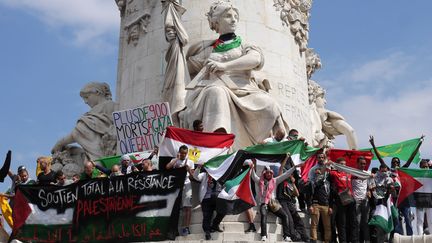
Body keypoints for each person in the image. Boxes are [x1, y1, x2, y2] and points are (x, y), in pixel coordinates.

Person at [177, 0, 287, 149]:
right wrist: (175, 47)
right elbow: (185, 68)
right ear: (216, 21)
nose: (233, 19)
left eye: (235, 16)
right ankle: (218, 140)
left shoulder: (243, 45)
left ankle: (275, 138)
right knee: (217, 92)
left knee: (269, 103)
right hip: (215, 88)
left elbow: (255, 58)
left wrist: (224, 65)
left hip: (245, 90)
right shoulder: (208, 50)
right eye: (228, 16)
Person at [369, 135, 424, 236]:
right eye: (394, 162)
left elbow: (410, 159)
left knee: (407, 218)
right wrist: (373, 144)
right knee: (396, 218)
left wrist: (419, 144)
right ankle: (397, 236)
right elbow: (381, 160)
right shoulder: (389, 171)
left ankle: (410, 237)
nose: (395, 163)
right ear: (391, 164)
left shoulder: (403, 170)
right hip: (393, 198)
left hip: (404, 198)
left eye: (397, 162)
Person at [51, 82, 118, 161]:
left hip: (104, 153)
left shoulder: (111, 105)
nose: (85, 102)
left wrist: (60, 142)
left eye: (87, 97)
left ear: (97, 92)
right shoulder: (94, 112)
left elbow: (80, 130)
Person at [249, 155, 300, 242]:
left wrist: (294, 167)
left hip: (273, 203)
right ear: (264, 173)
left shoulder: (275, 180)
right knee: (263, 215)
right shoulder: (259, 181)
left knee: (285, 216)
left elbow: (286, 174)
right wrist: (252, 168)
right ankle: (264, 236)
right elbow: (253, 176)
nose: (268, 174)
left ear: (272, 174)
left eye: (270, 173)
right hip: (263, 203)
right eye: (267, 172)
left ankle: (286, 236)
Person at [166, 145, 194, 236]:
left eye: (185, 153)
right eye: (182, 153)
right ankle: (174, 229)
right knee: (175, 207)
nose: (183, 155)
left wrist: (188, 168)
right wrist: (176, 159)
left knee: (188, 207)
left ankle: (186, 227)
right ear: (179, 152)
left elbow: (192, 176)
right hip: (176, 186)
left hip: (187, 184)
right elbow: (167, 167)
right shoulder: (175, 160)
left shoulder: (190, 161)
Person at [193, 165, 225, 240]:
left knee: (224, 210)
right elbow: (195, 176)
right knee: (207, 216)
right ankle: (207, 232)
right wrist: (198, 168)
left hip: (218, 197)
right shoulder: (204, 175)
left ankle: (215, 225)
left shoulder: (220, 174)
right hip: (206, 198)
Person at [307, 152, 332, 243]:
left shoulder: (329, 170)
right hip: (316, 202)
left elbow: (331, 189)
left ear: (324, 158)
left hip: (326, 203)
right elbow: (311, 186)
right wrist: (310, 204)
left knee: (327, 225)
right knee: (314, 224)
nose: (321, 159)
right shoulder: (313, 169)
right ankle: (313, 240)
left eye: (322, 157)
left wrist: (331, 205)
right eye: (319, 157)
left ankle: (327, 240)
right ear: (317, 158)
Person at [277, 174, 309, 242]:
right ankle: (294, 237)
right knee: (290, 219)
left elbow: (297, 194)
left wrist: (293, 183)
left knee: (298, 219)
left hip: (289, 202)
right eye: (290, 175)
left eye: (292, 175)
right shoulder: (281, 180)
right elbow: (281, 172)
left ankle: (304, 237)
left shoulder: (290, 183)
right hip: (282, 201)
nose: (291, 176)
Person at [352, 156, 374, 243]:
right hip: (356, 200)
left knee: (365, 222)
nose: (363, 165)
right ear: (357, 163)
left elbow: (371, 185)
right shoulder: (352, 172)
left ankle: (366, 241)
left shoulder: (367, 173)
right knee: (357, 222)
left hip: (365, 201)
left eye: (364, 164)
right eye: (361, 163)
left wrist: (369, 190)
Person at [413, 159, 432, 235]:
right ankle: (420, 238)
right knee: (420, 220)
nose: (425, 168)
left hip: (430, 201)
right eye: (423, 167)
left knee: (431, 221)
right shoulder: (415, 177)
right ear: (420, 167)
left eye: (426, 167)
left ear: (428, 167)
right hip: (419, 201)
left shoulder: (431, 177)